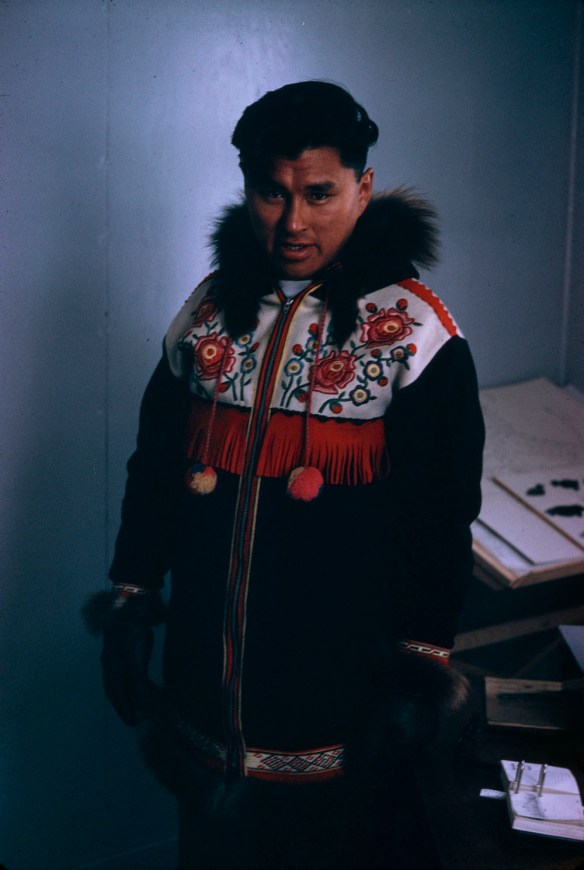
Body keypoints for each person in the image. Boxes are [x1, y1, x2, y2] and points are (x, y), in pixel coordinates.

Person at [85, 81, 484, 869]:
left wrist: (421, 667)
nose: (293, 221)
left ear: (362, 188)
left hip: (337, 699)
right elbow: (155, 468)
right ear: (248, 185)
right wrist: (131, 602)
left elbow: (441, 521)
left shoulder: (417, 338)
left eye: (319, 194)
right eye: (271, 192)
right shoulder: (206, 314)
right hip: (201, 686)